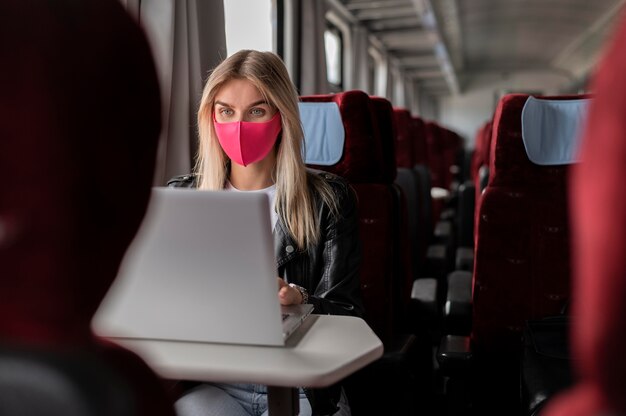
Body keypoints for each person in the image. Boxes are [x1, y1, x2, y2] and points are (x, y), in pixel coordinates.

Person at [169, 50, 364, 416]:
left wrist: (298, 299)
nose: (238, 124)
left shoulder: (329, 199)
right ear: (211, 118)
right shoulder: (183, 197)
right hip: (217, 381)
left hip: (304, 386)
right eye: (226, 111)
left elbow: (348, 311)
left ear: (281, 116)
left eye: (256, 111)